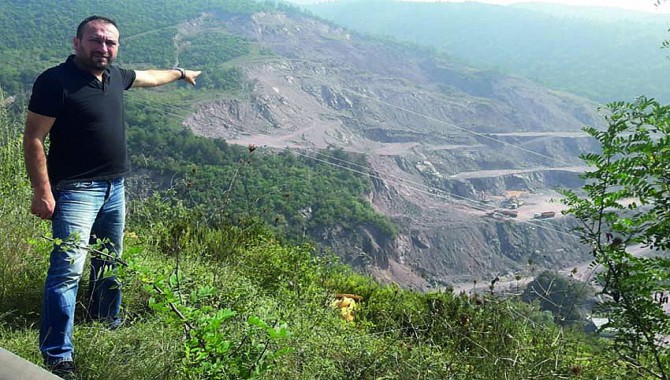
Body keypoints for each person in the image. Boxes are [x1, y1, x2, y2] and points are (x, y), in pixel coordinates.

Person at [23, 15, 201, 377]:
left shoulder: (115, 76)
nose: (103, 48)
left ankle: (107, 321)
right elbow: (33, 139)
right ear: (77, 42)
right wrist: (42, 191)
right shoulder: (55, 81)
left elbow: (150, 77)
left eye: (110, 42)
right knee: (67, 270)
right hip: (74, 191)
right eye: (96, 40)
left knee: (109, 260)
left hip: (114, 187)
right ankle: (57, 353)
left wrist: (181, 73)